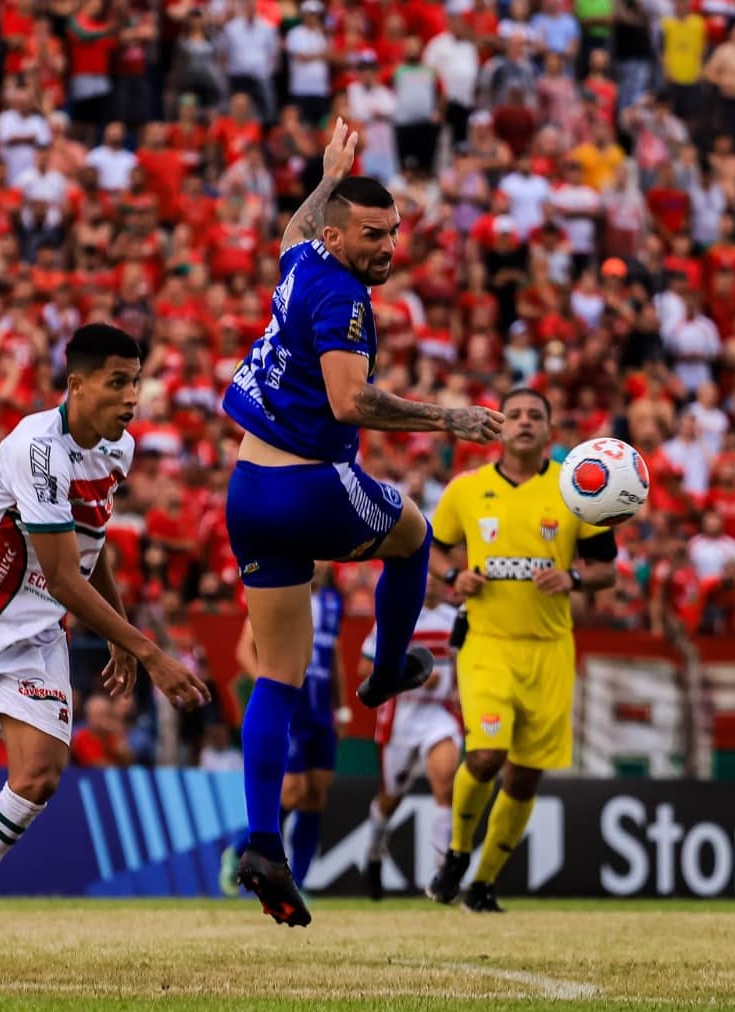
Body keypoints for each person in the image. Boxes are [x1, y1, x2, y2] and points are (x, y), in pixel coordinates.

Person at [220, 120, 502, 927]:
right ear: (343, 236)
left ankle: (264, 843)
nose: (388, 246)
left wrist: (324, 176)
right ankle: (383, 678)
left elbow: (291, 229)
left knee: (277, 674)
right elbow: (352, 403)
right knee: (413, 534)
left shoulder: (307, 256)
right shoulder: (344, 296)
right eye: (373, 235)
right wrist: (449, 419)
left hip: (250, 492)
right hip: (309, 486)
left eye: (395, 233)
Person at [0, 324, 208, 981]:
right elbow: (62, 576)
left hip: (35, 637)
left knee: (39, 777)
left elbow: (89, 547)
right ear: (76, 384)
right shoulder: (36, 448)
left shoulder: (119, 450)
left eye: (136, 382)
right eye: (118, 382)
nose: (132, 397)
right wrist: (148, 650)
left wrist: (119, 634)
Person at [425, 389, 618, 913]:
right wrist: (452, 576)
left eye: (536, 416)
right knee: (486, 756)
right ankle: (458, 853)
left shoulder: (577, 491)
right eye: (514, 415)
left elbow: (606, 569)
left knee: (526, 773)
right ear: (498, 427)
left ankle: (483, 884)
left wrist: (573, 576)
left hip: (550, 648)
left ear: (551, 432)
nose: (524, 422)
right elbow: (434, 549)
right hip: (487, 642)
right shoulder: (466, 490)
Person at [233, 563, 343, 891]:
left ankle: (302, 882)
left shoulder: (333, 602)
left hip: (321, 710)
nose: (321, 563)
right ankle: (241, 852)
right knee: (292, 791)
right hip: (290, 706)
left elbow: (333, 656)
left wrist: (343, 707)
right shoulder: (280, 589)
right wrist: (271, 688)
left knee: (315, 795)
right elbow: (243, 649)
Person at [361, 574, 461, 900]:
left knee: (445, 782)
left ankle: (444, 872)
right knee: (391, 796)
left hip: (439, 715)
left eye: (435, 577)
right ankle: (374, 852)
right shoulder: (398, 617)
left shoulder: (455, 619)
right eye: (425, 576)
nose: (429, 582)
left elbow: (464, 662)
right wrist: (410, 675)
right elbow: (366, 669)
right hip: (401, 717)